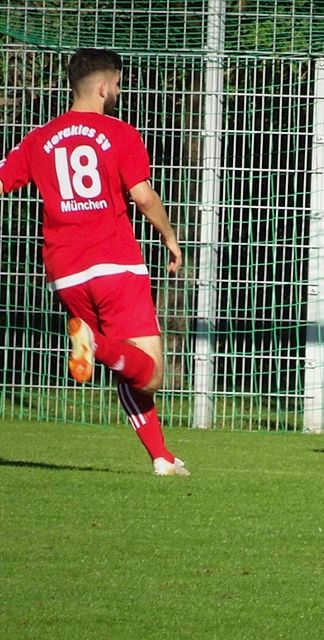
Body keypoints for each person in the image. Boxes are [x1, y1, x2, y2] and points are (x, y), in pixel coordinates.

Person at [0, 49, 188, 476]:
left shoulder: (38, 138)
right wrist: (170, 236)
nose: (118, 91)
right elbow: (142, 195)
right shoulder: (119, 133)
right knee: (150, 373)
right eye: (118, 85)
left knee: (126, 362)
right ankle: (93, 343)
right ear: (104, 88)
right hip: (115, 265)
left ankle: (161, 457)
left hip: (65, 273)